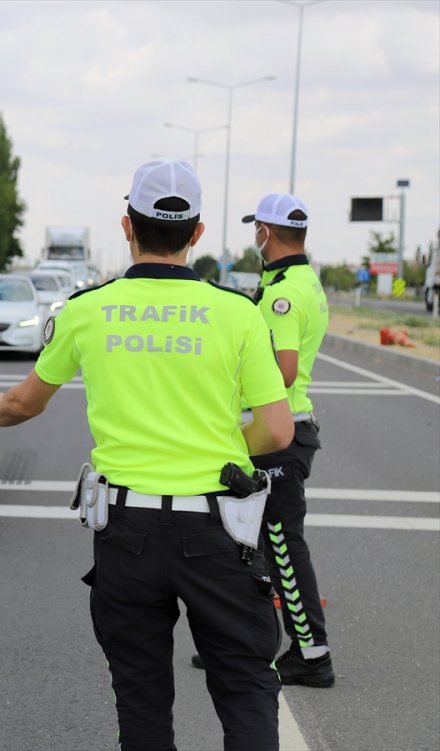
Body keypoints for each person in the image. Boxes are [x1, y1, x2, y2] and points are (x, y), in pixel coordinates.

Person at [0, 159, 294, 751]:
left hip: (126, 533)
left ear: (127, 226)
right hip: (217, 531)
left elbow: (25, 404)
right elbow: (278, 431)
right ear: (198, 232)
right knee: (244, 688)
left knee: (141, 699)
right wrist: (224, 450)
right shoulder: (238, 313)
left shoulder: (87, 309)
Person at [193, 193, 334, 687]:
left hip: (278, 434)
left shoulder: (282, 294)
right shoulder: (301, 281)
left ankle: (312, 655)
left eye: (256, 228)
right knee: (241, 538)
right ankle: (236, 640)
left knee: (279, 543)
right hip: (284, 431)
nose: (254, 235)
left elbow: (284, 367)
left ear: (266, 233)